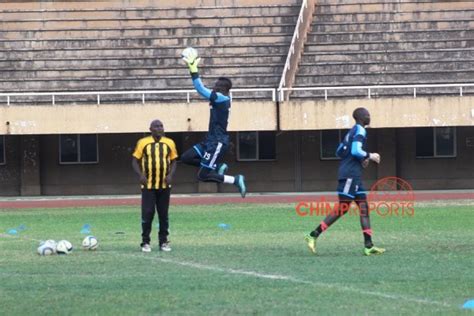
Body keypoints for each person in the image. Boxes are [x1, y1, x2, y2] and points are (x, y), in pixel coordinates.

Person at [305, 107, 386, 256]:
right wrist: (370, 155)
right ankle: (313, 235)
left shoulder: (352, 131)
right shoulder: (360, 130)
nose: (369, 116)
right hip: (350, 175)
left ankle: (368, 245)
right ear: (362, 118)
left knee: (364, 209)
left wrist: (362, 159)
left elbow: (339, 151)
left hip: (353, 175)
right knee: (342, 209)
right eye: (367, 114)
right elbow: (355, 150)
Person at [179, 49, 246, 198]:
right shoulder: (220, 98)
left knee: (203, 176)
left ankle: (235, 180)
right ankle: (218, 166)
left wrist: (193, 70)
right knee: (186, 158)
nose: (214, 88)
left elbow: (200, 89)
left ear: (225, 90)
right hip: (210, 140)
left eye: (217, 87)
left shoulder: (222, 98)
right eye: (215, 86)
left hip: (217, 142)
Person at [132, 119, 178, 253]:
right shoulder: (143, 142)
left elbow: (174, 161)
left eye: (161, 126)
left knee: (163, 214)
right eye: (156, 126)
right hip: (148, 186)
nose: (159, 128)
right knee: (148, 213)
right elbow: (134, 161)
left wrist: (171, 175)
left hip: (164, 186)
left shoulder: (169, 143)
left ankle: (163, 242)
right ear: (150, 129)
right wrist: (141, 175)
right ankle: (145, 242)